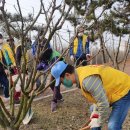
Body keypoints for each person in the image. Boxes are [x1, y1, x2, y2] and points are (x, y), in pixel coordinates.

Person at [51, 61, 130, 130]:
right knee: (93, 110)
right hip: (113, 89)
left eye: (62, 81)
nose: (63, 84)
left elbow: (104, 103)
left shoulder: (87, 81)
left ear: (67, 75)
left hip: (123, 90)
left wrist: (99, 121)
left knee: (113, 126)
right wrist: (96, 112)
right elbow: (97, 96)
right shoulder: (79, 73)